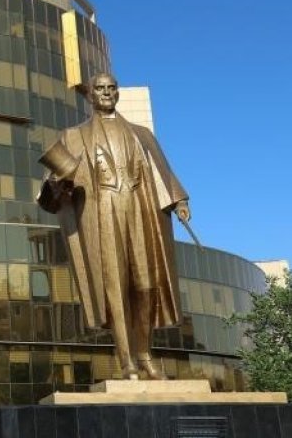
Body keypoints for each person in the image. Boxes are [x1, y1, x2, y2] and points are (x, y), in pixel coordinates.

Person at [37, 72, 191, 380]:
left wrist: (180, 201)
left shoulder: (142, 133)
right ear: (90, 96)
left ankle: (145, 353)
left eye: (111, 88)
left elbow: (162, 171)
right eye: (100, 89)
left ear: (117, 93)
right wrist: (59, 183)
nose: (107, 93)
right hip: (101, 211)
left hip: (139, 208)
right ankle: (127, 361)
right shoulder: (74, 135)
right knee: (115, 287)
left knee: (147, 285)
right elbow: (50, 195)